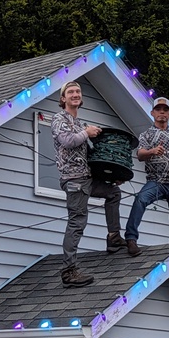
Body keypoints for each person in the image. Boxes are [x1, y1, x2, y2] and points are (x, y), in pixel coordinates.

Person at [51, 81, 128, 288]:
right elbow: (68, 141)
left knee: (113, 192)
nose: (75, 94)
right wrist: (87, 133)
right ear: (63, 99)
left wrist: (113, 174)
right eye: (71, 92)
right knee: (77, 222)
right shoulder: (60, 119)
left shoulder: (79, 123)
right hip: (74, 180)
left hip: (86, 178)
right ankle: (69, 271)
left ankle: (113, 237)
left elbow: (88, 156)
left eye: (78, 91)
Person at [124, 97, 169, 249]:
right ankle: (130, 238)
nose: (162, 112)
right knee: (141, 199)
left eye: (165, 110)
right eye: (158, 109)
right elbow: (140, 154)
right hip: (156, 181)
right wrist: (152, 151)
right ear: (152, 113)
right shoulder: (146, 135)